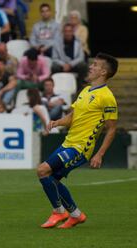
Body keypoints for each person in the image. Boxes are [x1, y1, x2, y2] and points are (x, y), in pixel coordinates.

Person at [37, 53, 118, 229]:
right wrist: (58, 122)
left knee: (43, 170)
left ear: (103, 71)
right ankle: (75, 215)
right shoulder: (85, 90)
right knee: (53, 179)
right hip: (69, 143)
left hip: (81, 148)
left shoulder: (107, 97)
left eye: (95, 65)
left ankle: (59, 212)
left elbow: (112, 128)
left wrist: (99, 154)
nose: (91, 67)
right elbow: (73, 116)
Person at [51, 23, 88, 90]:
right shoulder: (57, 43)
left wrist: (70, 64)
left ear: (73, 32)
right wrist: (64, 65)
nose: (68, 33)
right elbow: (54, 58)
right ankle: (56, 87)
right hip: (62, 66)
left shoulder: (78, 41)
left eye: (70, 31)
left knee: (83, 65)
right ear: (63, 32)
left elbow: (81, 57)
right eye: (66, 31)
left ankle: (79, 87)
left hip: (74, 65)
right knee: (54, 67)